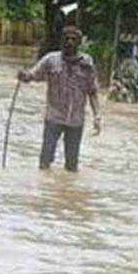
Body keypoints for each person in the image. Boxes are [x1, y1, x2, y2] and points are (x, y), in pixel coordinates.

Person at [17, 26, 101, 172]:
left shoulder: (87, 65)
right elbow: (33, 75)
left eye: (73, 39)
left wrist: (97, 116)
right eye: (67, 39)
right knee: (45, 160)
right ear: (62, 41)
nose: (69, 42)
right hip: (53, 117)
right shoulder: (51, 60)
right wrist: (24, 76)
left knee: (71, 165)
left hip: (76, 119)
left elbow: (92, 92)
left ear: (79, 43)